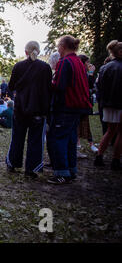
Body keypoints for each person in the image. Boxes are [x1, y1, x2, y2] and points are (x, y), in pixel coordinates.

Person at [47, 35, 92, 184]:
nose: (58, 49)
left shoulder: (65, 62)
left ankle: (61, 173)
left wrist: (49, 84)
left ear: (63, 46)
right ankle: (71, 169)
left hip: (66, 106)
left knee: (57, 138)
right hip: (77, 107)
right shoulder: (78, 61)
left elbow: (60, 86)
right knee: (70, 139)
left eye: (59, 46)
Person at [5, 41, 52, 178]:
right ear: (38, 51)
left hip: (20, 108)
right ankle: (31, 168)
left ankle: (13, 163)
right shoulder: (45, 68)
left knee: (17, 137)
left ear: (26, 52)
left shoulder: (19, 66)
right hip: (38, 108)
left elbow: (11, 85)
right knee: (36, 140)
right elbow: (49, 89)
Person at [94, 40, 122, 170]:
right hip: (119, 103)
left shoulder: (105, 67)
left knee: (110, 131)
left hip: (107, 104)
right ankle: (116, 160)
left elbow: (99, 86)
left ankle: (99, 156)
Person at [76, 55, 99, 156]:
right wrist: (90, 73)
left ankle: (90, 143)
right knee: (77, 125)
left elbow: (92, 87)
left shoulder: (85, 73)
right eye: (87, 62)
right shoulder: (80, 73)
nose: (89, 64)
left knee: (85, 124)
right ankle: (78, 145)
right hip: (80, 104)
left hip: (85, 104)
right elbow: (88, 85)